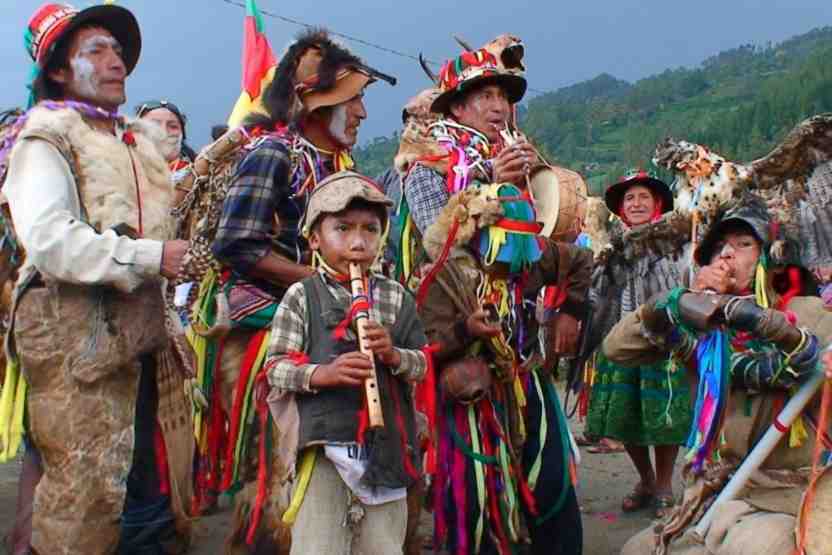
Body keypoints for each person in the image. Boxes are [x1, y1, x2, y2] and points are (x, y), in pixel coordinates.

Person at [191, 28, 394, 549]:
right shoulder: (273, 154)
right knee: (278, 467)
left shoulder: (339, 168)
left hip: (330, 324)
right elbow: (235, 243)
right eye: (353, 101)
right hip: (269, 328)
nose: (363, 114)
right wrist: (317, 284)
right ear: (313, 102)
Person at [2, 3, 192, 554]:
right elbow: (52, 241)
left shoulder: (133, 145)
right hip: (73, 344)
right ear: (59, 71)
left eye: (118, 50)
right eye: (96, 51)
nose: (116, 62)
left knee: (143, 491)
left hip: (139, 338)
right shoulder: (44, 139)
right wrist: (154, 256)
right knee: (82, 499)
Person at [401, 45, 591, 554]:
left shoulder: (518, 161)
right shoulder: (426, 163)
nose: (498, 105)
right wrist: (489, 184)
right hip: (464, 348)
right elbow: (434, 241)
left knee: (551, 485)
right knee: (474, 494)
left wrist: (571, 306)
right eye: (485, 94)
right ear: (456, 107)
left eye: (504, 96)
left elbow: (550, 247)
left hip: (522, 353)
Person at [612, 195, 830, 555]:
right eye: (719, 249)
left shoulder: (809, 314)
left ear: (771, 261)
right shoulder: (705, 332)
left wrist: (762, 320)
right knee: (637, 550)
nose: (726, 255)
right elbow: (616, 348)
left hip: (787, 496)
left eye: (744, 245)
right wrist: (676, 301)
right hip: (715, 491)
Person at [263, 170, 427, 554]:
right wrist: (323, 374)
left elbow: (422, 364)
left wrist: (393, 355)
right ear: (315, 238)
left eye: (370, 229)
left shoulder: (396, 296)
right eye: (343, 228)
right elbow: (276, 368)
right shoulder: (302, 295)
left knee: (383, 544)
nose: (357, 242)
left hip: (387, 447)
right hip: (324, 447)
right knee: (319, 544)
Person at [583, 170, 692, 517]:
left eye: (644, 196)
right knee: (624, 416)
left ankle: (663, 484)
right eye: (629, 198)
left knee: (663, 415)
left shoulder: (677, 241)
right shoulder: (608, 248)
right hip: (621, 341)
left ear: (657, 203)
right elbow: (596, 296)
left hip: (666, 340)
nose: (637, 203)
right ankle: (645, 479)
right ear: (621, 209)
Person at [135, 99, 196, 171]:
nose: (164, 131)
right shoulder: (122, 171)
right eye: (154, 125)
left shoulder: (200, 174)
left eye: (173, 126)